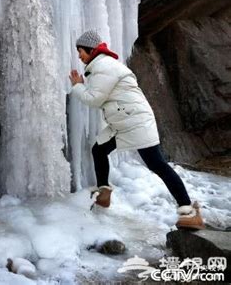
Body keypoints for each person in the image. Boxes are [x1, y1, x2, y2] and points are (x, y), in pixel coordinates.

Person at [69, 30, 204, 230]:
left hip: (135, 122)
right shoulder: (101, 66)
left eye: (80, 51)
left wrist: (78, 86)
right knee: (99, 150)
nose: (79, 56)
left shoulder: (103, 66)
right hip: (124, 122)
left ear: (90, 50)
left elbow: (95, 99)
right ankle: (104, 193)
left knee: (157, 164)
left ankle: (189, 211)